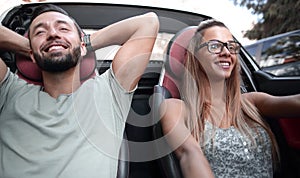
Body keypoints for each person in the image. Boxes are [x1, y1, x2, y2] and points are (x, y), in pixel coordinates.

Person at [0, 4, 159, 178]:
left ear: (83, 46)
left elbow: (148, 23)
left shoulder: (110, 92)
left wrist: (80, 44)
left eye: (63, 28)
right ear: (31, 54)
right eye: (40, 32)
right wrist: (33, 47)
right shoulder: (9, 92)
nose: (53, 34)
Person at [160, 19, 300, 178]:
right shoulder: (175, 108)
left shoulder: (250, 102)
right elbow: (189, 154)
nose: (226, 52)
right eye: (214, 46)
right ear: (195, 56)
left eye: (231, 47)